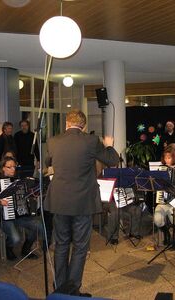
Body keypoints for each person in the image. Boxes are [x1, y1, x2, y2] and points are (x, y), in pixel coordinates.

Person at [45, 110, 119, 294]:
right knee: (80, 246)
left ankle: (60, 288)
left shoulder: (53, 141)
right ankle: (72, 290)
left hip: (59, 202)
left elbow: (48, 161)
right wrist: (109, 145)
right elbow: (112, 161)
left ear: (67, 124)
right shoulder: (91, 141)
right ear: (84, 126)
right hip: (82, 202)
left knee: (61, 245)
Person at [0, 156, 44, 261]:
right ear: (2, 168)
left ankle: (26, 249)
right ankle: (9, 247)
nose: (13, 169)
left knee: (39, 227)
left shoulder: (16, 180)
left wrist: (31, 196)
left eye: (14, 167)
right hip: (3, 216)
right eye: (9, 167)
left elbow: (23, 196)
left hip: (19, 214)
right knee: (16, 238)